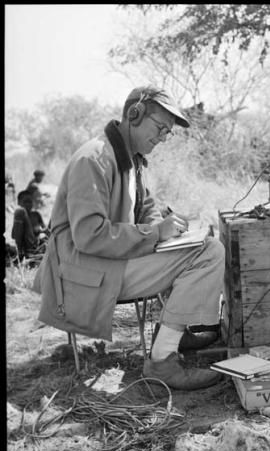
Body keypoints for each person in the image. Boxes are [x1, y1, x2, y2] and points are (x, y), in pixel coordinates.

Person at [32, 85, 224, 391]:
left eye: (167, 133)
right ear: (134, 115)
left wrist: (164, 229)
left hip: (106, 265)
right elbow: (89, 236)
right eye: (160, 128)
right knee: (210, 253)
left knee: (201, 245)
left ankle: (171, 332)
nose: (162, 138)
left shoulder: (129, 157)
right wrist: (154, 233)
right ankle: (163, 360)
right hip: (81, 274)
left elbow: (145, 206)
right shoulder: (93, 159)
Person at [11, 190, 46, 262]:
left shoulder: (36, 214)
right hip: (24, 247)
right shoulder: (19, 214)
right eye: (25, 202)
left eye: (30, 201)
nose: (28, 204)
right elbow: (13, 235)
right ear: (19, 202)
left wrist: (40, 231)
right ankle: (20, 253)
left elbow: (45, 229)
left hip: (35, 246)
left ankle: (24, 254)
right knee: (19, 211)